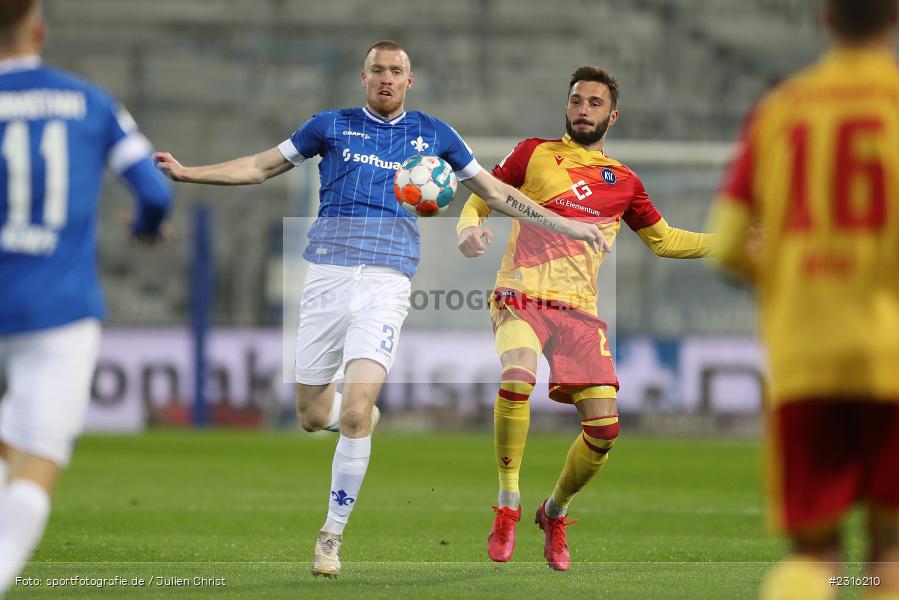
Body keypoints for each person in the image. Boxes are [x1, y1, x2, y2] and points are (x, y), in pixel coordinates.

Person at [154, 40, 604, 578]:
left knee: (352, 414)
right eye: (377, 70)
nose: (386, 78)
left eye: (396, 71)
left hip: (387, 282)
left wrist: (565, 222)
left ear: (409, 81)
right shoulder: (330, 126)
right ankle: (355, 416)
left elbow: (495, 191)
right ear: (362, 77)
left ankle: (330, 537)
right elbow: (259, 166)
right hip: (325, 277)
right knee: (313, 416)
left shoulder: (435, 135)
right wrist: (189, 172)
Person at [456, 65, 714, 571]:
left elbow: (665, 241)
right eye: (576, 100)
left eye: (595, 103)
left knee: (605, 431)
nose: (583, 109)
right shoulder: (533, 152)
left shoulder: (627, 182)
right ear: (567, 105)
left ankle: (554, 512)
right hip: (521, 294)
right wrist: (468, 227)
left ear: (612, 115)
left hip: (580, 311)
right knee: (517, 377)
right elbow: (482, 194)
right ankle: (508, 503)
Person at [710, 0, 899, 598]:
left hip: (805, 358)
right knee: (890, 551)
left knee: (814, 554)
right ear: (894, 18)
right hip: (893, 360)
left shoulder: (780, 110)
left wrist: (794, 275)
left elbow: (728, 246)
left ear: (824, 17)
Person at [0, 1, 173, 595]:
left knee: (9, 443)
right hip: (58, 309)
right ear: (39, 29)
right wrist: (147, 227)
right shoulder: (91, 103)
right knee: (34, 464)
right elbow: (153, 190)